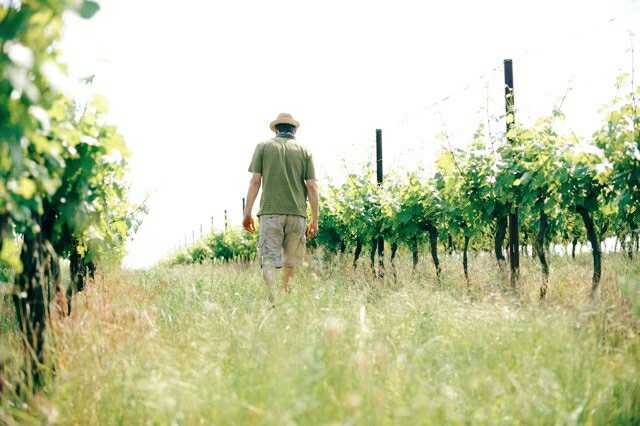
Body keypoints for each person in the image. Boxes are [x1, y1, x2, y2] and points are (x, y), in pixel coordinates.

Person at [243, 113, 319, 303]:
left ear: (276, 129)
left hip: (270, 213)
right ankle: (285, 297)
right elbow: (311, 186)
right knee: (291, 262)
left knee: (268, 260)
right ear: (294, 129)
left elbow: (255, 181)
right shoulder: (304, 150)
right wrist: (314, 219)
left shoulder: (263, 147)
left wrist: (247, 213)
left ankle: (274, 298)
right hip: (297, 215)